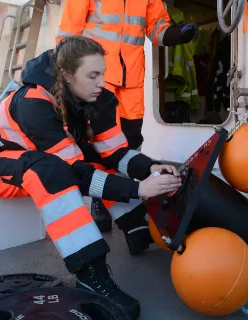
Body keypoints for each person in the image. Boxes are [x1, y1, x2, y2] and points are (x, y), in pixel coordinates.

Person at [0, 35, 182, 319]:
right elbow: (75, 174)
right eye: (92, 75)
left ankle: (136, 227)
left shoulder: (99, 99)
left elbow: (114, 153)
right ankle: (90, 273)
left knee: (83, 158)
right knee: (50, 170)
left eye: (102, 74)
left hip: (36, 157)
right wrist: (139, 190)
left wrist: (149, 168)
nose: (101, 82)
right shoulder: (33, 104)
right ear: (65, 74)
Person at [55, 0, 199, 232]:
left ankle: (130, 201)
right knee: (97, 145)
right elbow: (66, 36)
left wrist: (178, 34)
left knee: (131, 141)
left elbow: (157, 29)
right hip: (98, 80)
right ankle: (100, 201)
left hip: (131, 79)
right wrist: (70, 80)